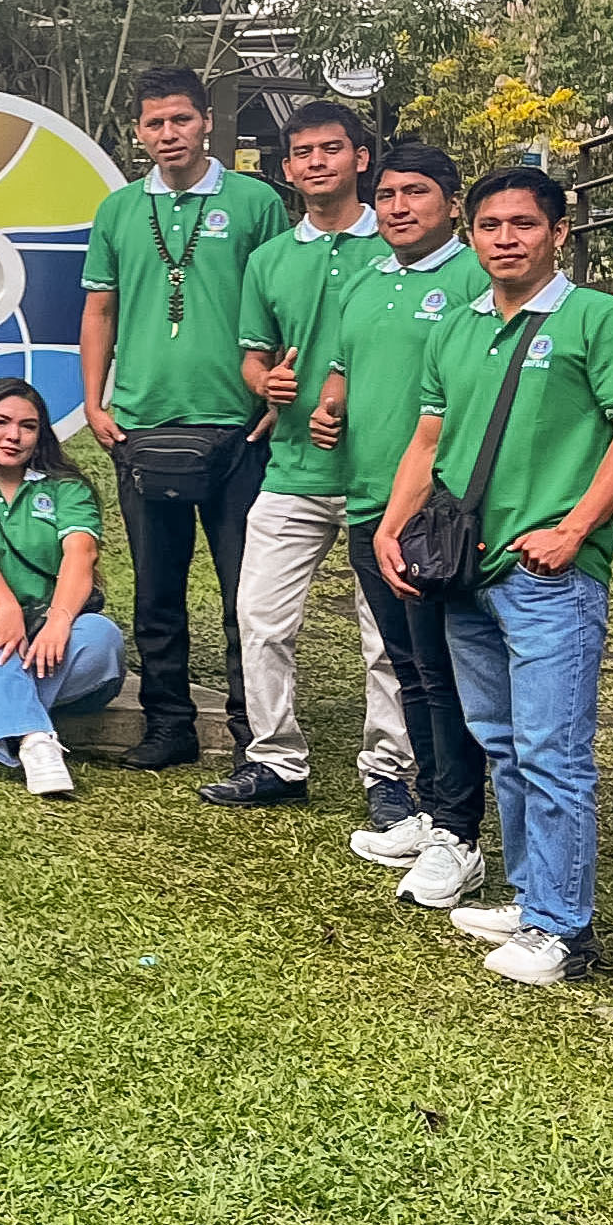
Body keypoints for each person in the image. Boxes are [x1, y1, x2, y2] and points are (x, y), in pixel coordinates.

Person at [377, 167, 613, 987]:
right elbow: (428, 441)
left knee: (551, 752)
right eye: (489, 225)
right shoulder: (459, 327)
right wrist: (393, 527)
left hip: (548, 577)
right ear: (470, 236)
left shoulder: (597, 320)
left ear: (557, 234)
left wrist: (575, 527)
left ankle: (562, 934)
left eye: (523, 225)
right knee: (502, 744)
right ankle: (534, 896)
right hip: (467, 570)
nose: (505, 238)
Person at [212, 101, 417, 816]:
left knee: (384, 636)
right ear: (286, 168)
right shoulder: (269, 259)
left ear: (361, 158)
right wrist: (263, 383)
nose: (315, 163)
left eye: (331, 149)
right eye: (301, 153)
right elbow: (251, 355)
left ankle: (388, 772)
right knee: (259, 616)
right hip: (292, 468)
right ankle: (274, 760)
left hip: (383, 476)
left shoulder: (396, 247)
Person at [81, 63, 287, 770]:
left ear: (205, 122)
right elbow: (98, 309)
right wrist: (93, 402)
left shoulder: (256, 202)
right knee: (155, 592)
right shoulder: (116, 211)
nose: (167, 134)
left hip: (235, 426)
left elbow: (280, 306)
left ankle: (250, 731)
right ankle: (167, 725)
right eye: (153, 123)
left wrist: (271, 396)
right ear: (136, 132)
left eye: (180, 120)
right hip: (141, 424)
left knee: (243, 592)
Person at [317, 144, 493, 908]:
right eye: (385, 194)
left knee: (444, 675)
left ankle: (458, 831)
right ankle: (429, 811)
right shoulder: (366, 281)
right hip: (369, 506)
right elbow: (345, 369)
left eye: (414, 192)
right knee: (410, 671)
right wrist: (330, 408)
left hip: (436, 517)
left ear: (450, 204)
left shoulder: (474, 282)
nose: (395, 206)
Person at [0, 377, 130, 800]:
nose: (13, 436)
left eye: (28, 426)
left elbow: (80, 552)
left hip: (50, 641)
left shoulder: (65, 487)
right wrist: (8, 608)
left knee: (102, 637)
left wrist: (58, 620)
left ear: (41, 435)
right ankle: (37, 741)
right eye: (0, 422)